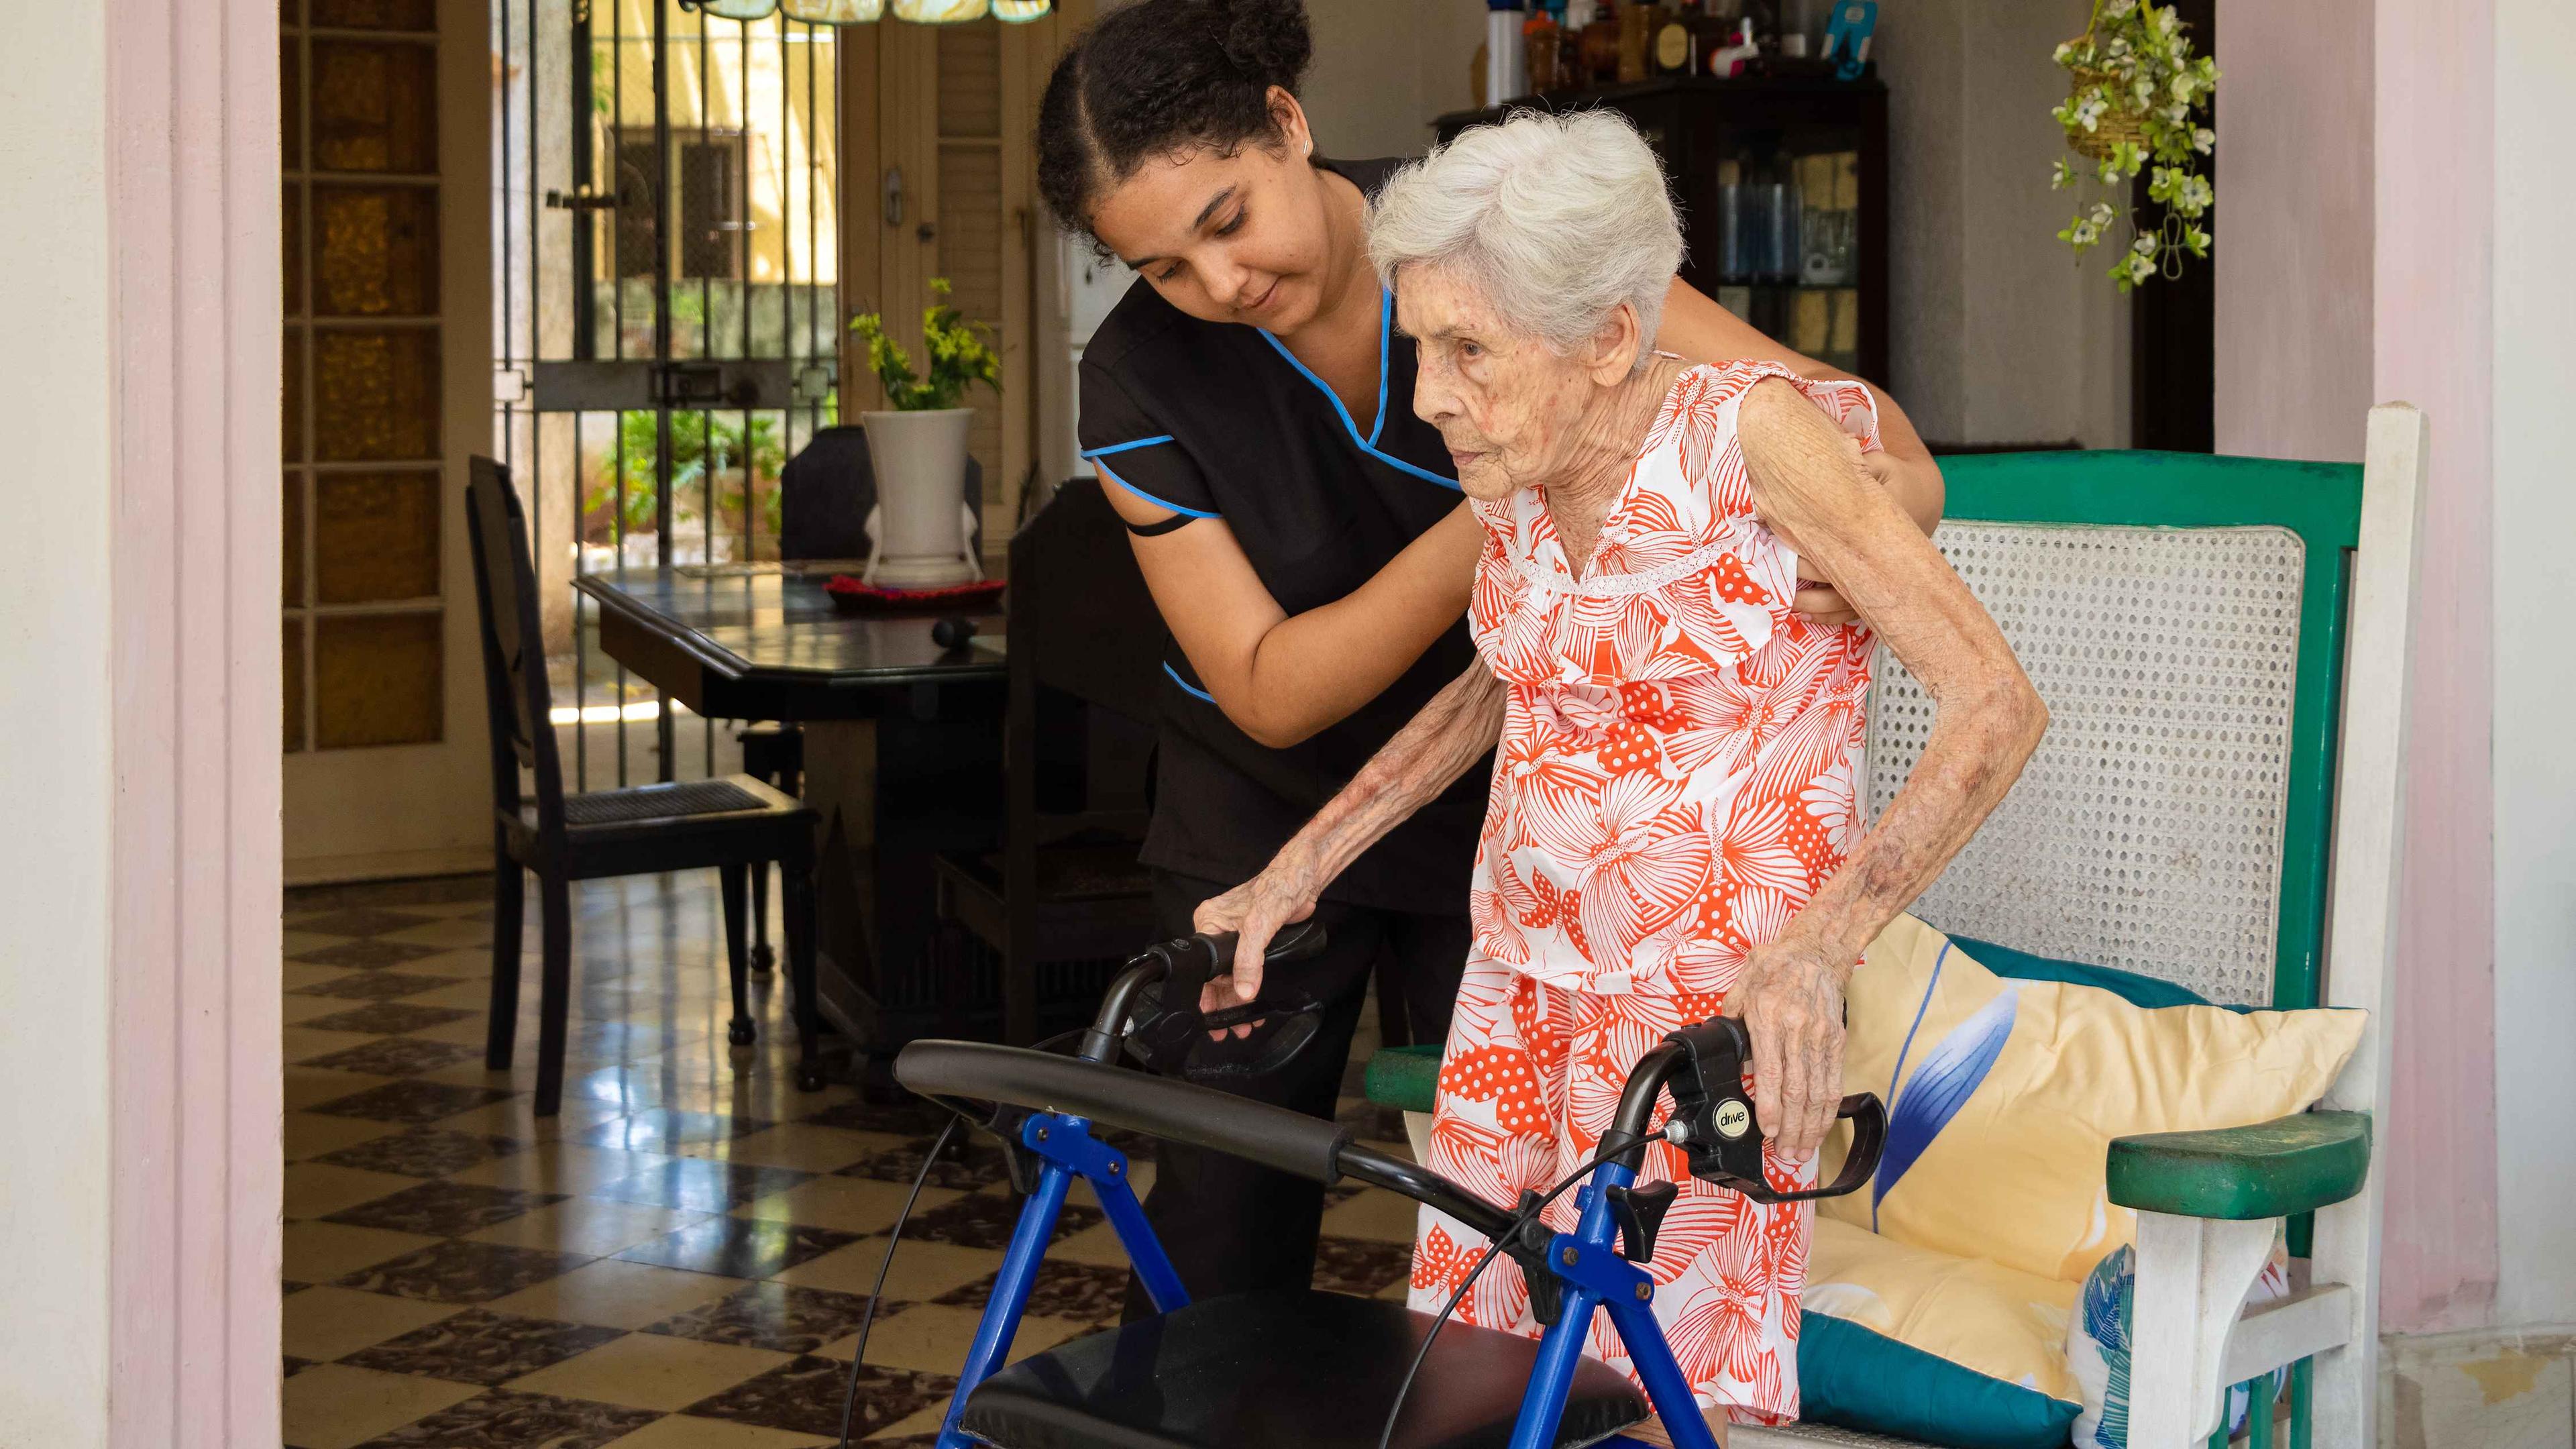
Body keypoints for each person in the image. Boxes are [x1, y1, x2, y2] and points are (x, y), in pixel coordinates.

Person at [1034, 0, 1948, 1319]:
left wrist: (1874, 521)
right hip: (1262, 807)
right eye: (1165, 267)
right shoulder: (1134, 379)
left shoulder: (1497, 245)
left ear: (1288, 127)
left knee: (1520, 1234)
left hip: (1530, 807)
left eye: (1227, 220)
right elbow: (1270, 689)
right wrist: (1523, 473)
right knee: (1220, 1232)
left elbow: (1864, 444)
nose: (1217, 286)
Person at [1195, 111, 2046, 1438]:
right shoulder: (1518, 468)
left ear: (1606, 337)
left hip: (1704, 1023)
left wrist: (1823, 947)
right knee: (1469, 1374)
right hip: (1518, 982)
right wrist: (1299, 866)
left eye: (1467, 350)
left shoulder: (1759, 443)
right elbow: (1502, 680)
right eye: (1425, 345)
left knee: (1666, 1394)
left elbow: (1994, 704)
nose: (1430, 396)